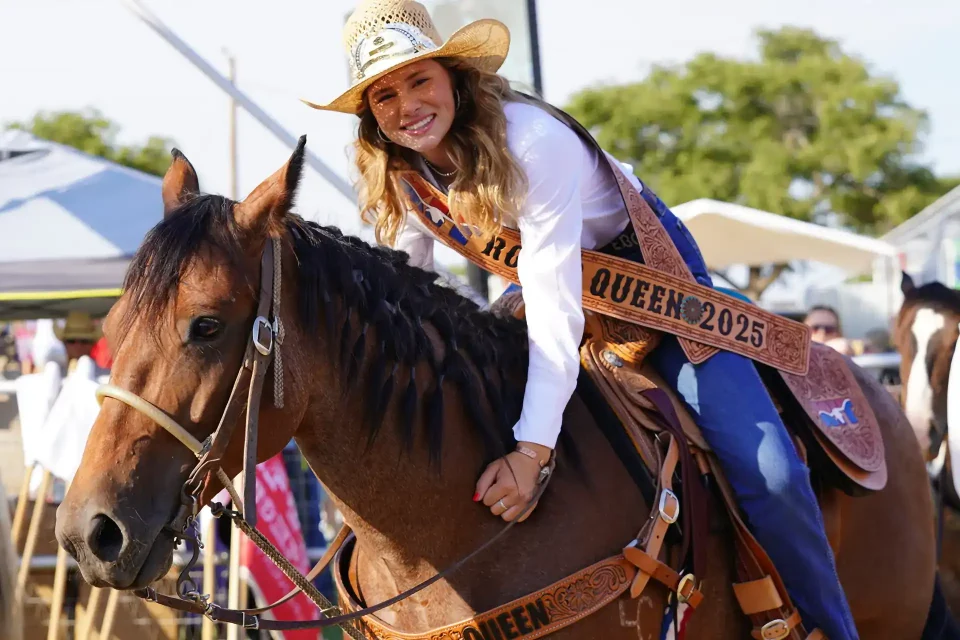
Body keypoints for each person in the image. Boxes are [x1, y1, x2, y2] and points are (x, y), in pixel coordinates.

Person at [304, 2, 857, 637]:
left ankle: (828, 627)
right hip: (547, 287)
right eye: (384, 95)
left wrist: (531, 452)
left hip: (652, 287)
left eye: (419, 80)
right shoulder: (404, 171)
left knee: (771, 473)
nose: (407, 106)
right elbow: (407, 293)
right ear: (371, 114)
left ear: (453, 77)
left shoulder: (533, 141)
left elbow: (554, 305)